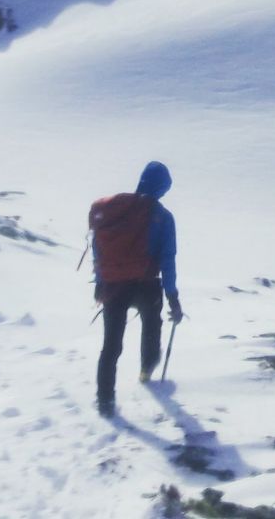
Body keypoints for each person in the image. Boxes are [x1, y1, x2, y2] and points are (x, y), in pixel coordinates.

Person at [90, 160, 182, 415]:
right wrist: (173, 296)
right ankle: (146, 371)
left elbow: (98, 249)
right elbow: (168, 259)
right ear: (162, 187)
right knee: (152, 328)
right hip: (147, 285)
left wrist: (99, 282)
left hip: (114, 285)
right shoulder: (163, 217)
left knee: (111, 345)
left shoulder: (113, 212)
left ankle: (105, 400)